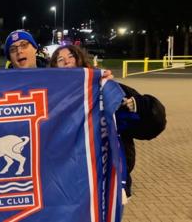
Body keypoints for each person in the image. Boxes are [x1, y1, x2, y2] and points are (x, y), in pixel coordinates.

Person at [50, 44, 167, 199]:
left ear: (81, 60)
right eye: (60, 59)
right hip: (67, 185)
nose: (66, 61)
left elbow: (154, 123)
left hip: (105, 181)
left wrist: (138, 105)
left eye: (71, 56)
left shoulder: (104, 86)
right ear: (54, 68)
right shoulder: (51, 99)